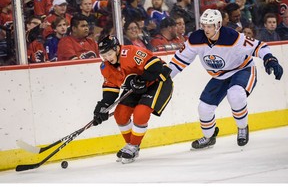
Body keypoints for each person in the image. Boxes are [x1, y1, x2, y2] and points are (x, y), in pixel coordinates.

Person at [169, 9, 283, 149]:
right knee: (204, 108)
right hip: (220, 75)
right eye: (203, 25)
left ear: (218, 25)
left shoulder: (232, 37)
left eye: (209, 25)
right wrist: (165, 77)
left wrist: (270, 59)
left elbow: (259, 46)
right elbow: (178, 61)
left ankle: (242, 127)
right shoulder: (196, 39)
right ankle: (209, 137)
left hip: (242, 69)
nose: (206, 29)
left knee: (235, 94)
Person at [93, 35, 173, 164]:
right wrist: (103, 106)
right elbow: (111, 89)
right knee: (120, 114)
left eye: (109, 53)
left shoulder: (131, 52)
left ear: (117, 48)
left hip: (157, 83)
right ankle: (130, 145)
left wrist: (142, 80)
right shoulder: (105, 67)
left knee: (140, 113)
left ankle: (134, 146)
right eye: (104, 55)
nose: (107, 58)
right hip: (135, 87)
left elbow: (156, 66)